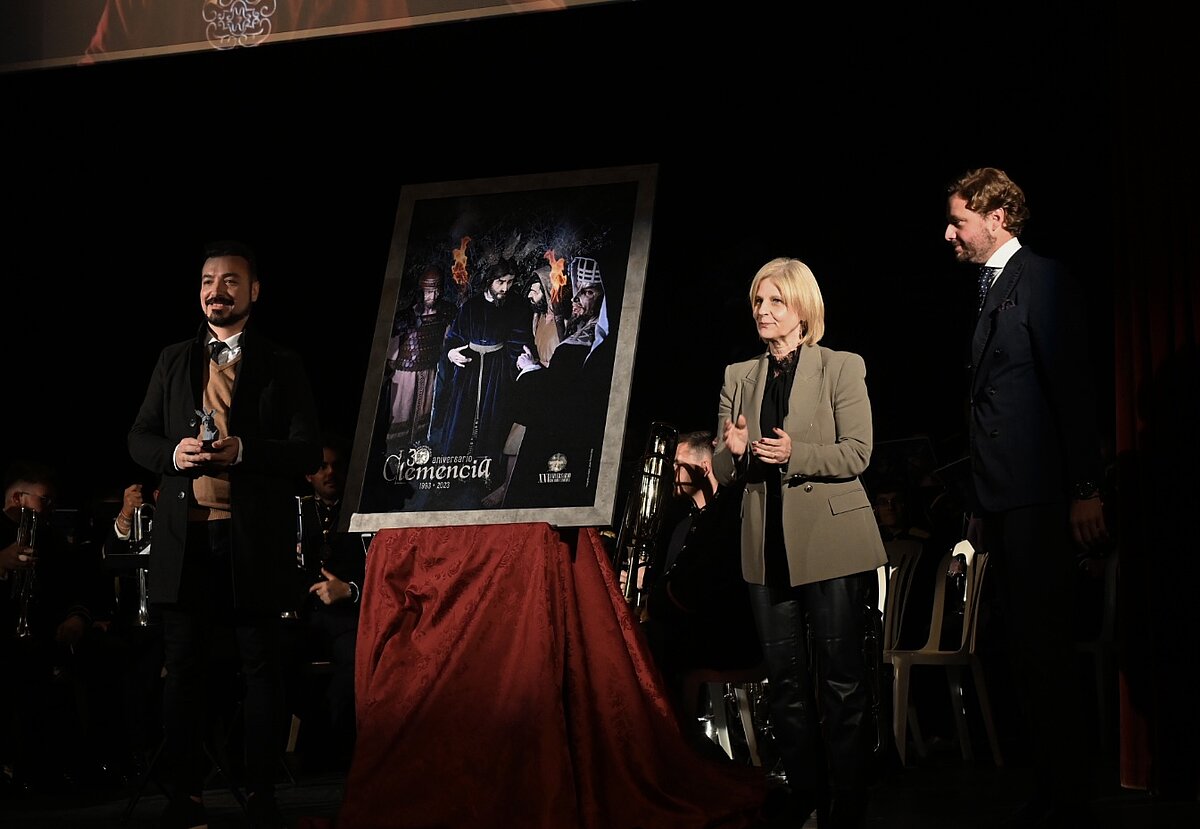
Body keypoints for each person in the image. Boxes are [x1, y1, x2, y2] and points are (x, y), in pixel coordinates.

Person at [128, 239, 322, 829]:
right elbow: (138, 437)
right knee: (183, 668)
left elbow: (308, 449)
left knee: (260, 668)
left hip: (250, 542)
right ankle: (184, 795)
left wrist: (246, 450)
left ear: (254, 290)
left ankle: (261, 793)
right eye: (209, 281)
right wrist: (173, 453)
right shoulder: (172, 358)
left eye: (232, 281)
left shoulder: (281, 362)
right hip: (185, 541)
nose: (218, 291)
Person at [943, 167, 1109, 826]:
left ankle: (1067, 791)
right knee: (1021, 648)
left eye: (958, 219)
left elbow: (1071, 387)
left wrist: (1086, 487)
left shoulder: (1040, 280)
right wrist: (977, 509)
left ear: (998, 217)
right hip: (1004, 499)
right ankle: (1047, 784)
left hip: (1041, 495)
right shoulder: (990, 291)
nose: (948, 232)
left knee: (1045, 648)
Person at [713, 257, 886, 828]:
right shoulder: (739, 375)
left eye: (775, 302)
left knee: (840, 679)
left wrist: (797, 455)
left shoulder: (840, 367)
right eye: (758, 302)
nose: (763, 312)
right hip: (767, 544)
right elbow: (719, 461)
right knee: (783, 681)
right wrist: (733, 452)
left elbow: (858, 452)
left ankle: (850, 804)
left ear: (802, 308)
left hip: (832, 540)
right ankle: (807, 796)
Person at [641, 430, 761, 739]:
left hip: (726, 635)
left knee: (650, 641)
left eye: (678, 464)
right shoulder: (684, 524)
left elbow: (704, 591)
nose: (672, 474)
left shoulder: (731, 517)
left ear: (704, 468)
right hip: (691, 628)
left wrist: (655, 601)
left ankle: (667, 740)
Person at [0, 459, 105, 792]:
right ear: (18, 497)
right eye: (43, 500)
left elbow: (79, 586)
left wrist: (77, 617)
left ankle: (60, 770)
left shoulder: (52, 538)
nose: (50, 508)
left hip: (42, 638)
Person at [283, 433, 364, 772]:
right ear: (308, 475)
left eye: (336, 466)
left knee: (359, 662)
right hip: (304, 618)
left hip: (348, 617)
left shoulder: (361, 511)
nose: (330, 473)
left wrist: (351, 590)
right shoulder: (293, 514)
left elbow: (384, 571)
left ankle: (335, 752)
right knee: (271, 661)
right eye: (322, 467)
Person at [426, 258, 531, 506]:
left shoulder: (515, 307)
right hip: (469, 370)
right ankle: (451, 476)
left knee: (494, 420)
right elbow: (454, 337)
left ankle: (486, 477)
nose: (505, 288)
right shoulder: (471, 307)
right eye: (500, 282)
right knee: (461, 419)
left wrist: (521, 361)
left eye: (510, 282)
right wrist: (452, 353)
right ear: (489, 281)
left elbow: (519, 340)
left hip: (497, 371)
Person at [385, 264, 456, 452]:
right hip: (405, 373)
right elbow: (393, 348)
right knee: (402, 412)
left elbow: (446, 342)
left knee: (424, 413)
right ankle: (395, 454)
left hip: (430, 370)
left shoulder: (444, 314)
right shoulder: (407, 315)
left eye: (436, 292)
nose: (432, 297)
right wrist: (392, 364)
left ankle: (417, 451)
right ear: (421, 290)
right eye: (428, 292)